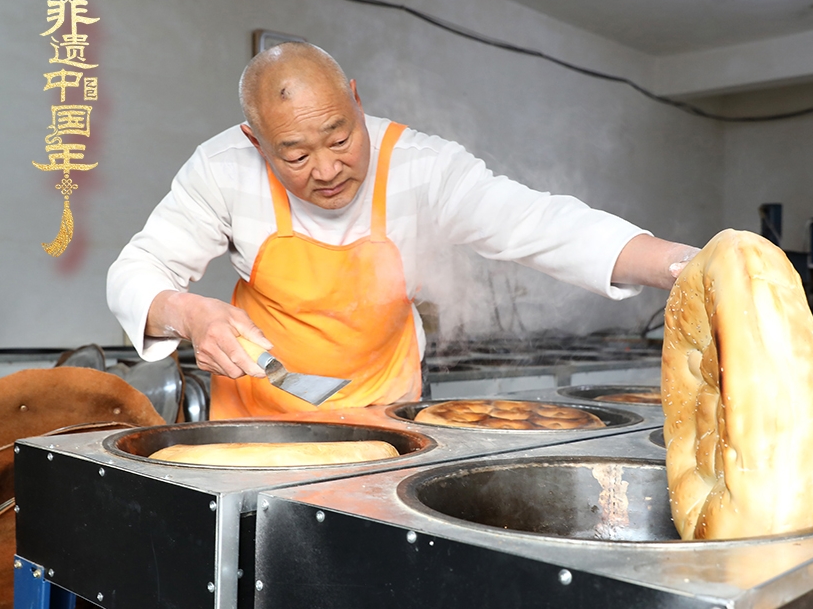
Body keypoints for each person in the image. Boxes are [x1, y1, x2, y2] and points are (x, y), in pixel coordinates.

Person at [107, 42, 699, 418]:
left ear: (357, 101)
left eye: (340, 138)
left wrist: (687, 265)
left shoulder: (423, 166)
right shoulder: (220, 170)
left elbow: (539, 222)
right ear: (254, 141)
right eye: (293, 155)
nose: (327, 169)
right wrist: (189, 315)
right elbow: (136, 272)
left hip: (385, 410)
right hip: (259, 415)